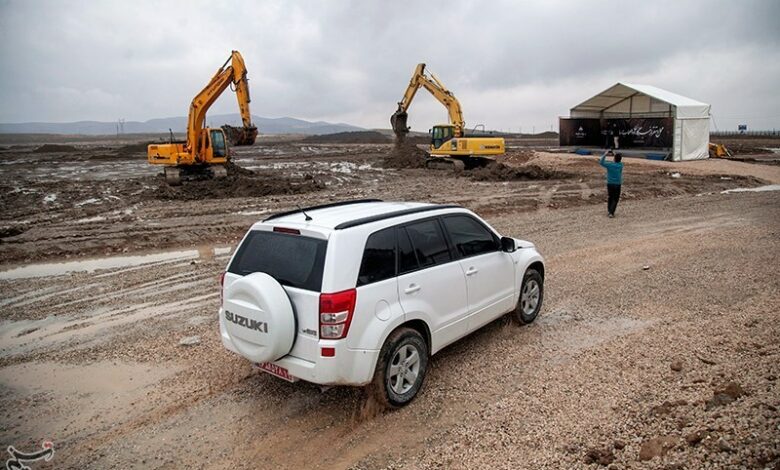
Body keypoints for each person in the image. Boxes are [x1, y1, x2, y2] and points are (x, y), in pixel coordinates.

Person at [599, 150, 623, 218]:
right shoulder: (621, 165)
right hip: (618, 184)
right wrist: (615, 154)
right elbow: (618, 159)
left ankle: (609, 211)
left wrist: (605, 154)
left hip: (610, 183)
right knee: (615, 198)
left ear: (614, 158)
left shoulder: (609, 165)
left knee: (610, 197)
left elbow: (601, 162)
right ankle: (611, 212)